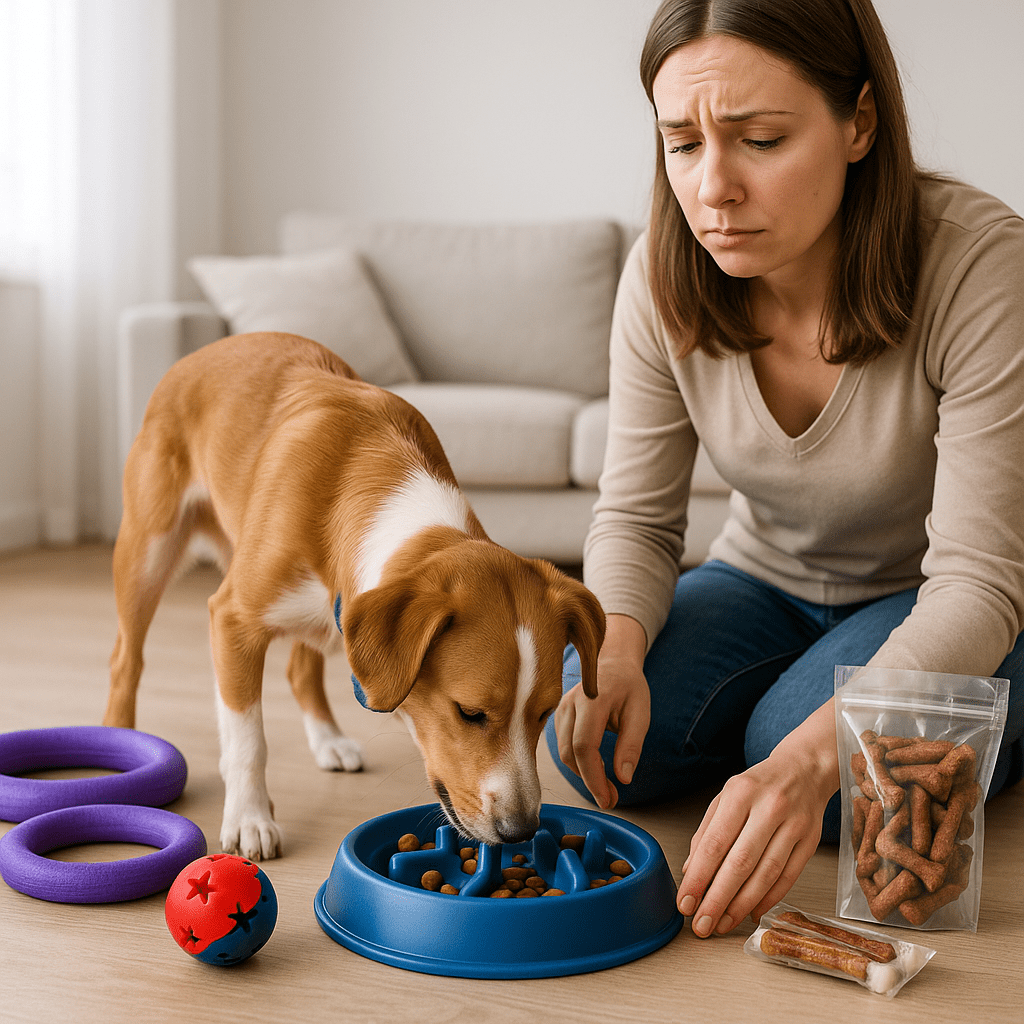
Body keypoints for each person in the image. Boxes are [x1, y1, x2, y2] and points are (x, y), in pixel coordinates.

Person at [546, 0, 1024, 941]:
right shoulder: (659, 275)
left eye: (760, 139)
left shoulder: (982, 265)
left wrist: (800, 762)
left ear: (858, 122)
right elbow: (638, 522)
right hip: (760, 577)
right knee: (590, 735)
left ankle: (991, 698)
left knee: (831, 782)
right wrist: (617, 648)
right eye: (681, 141)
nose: (713, 187)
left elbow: (974, 579)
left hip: (938, 594)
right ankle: (816, 711)